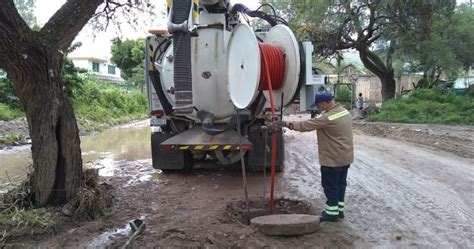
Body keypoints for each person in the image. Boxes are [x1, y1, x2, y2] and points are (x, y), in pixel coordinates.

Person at [273, 92, 354, 222]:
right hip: (345, 157)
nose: (318, 108)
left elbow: (305, 125)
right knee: (340, 184)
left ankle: (331, 213)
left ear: (324, 103)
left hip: (332, 159)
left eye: (319, 105)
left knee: (330, 185)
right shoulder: (344, 112)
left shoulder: (327, 118)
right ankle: (339, 211)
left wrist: (285, 124)